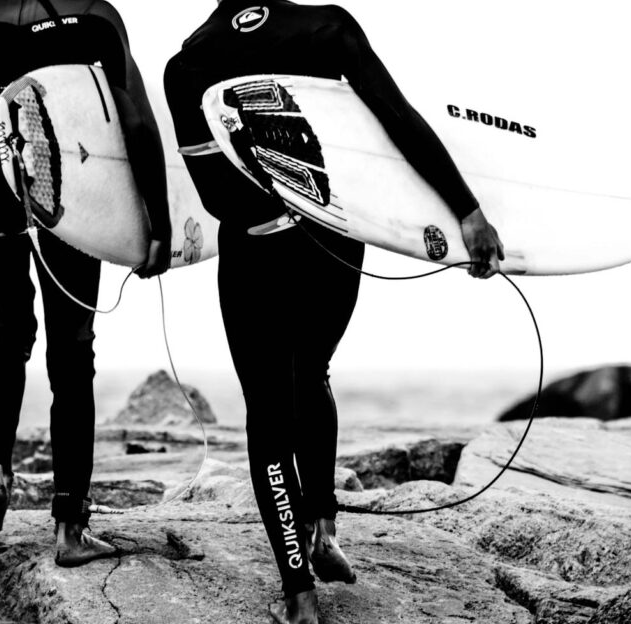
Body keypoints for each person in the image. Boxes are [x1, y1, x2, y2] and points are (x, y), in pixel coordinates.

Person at [163, 2, 504, 621]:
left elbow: (214, 194)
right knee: (311, 372)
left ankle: (299, 593)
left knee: (267, 414)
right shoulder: (323, 26)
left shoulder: (189, 62)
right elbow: (396, 122)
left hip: (255, 252)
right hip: (332, 242)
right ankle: (323, 530)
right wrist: (466, 211)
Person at [0, 0, 171, 567]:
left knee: (7, 328)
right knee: (72, 345)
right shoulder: (93, 15)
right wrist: (159, 223)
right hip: (68, 187)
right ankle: (69, 528)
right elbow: (138, 122)